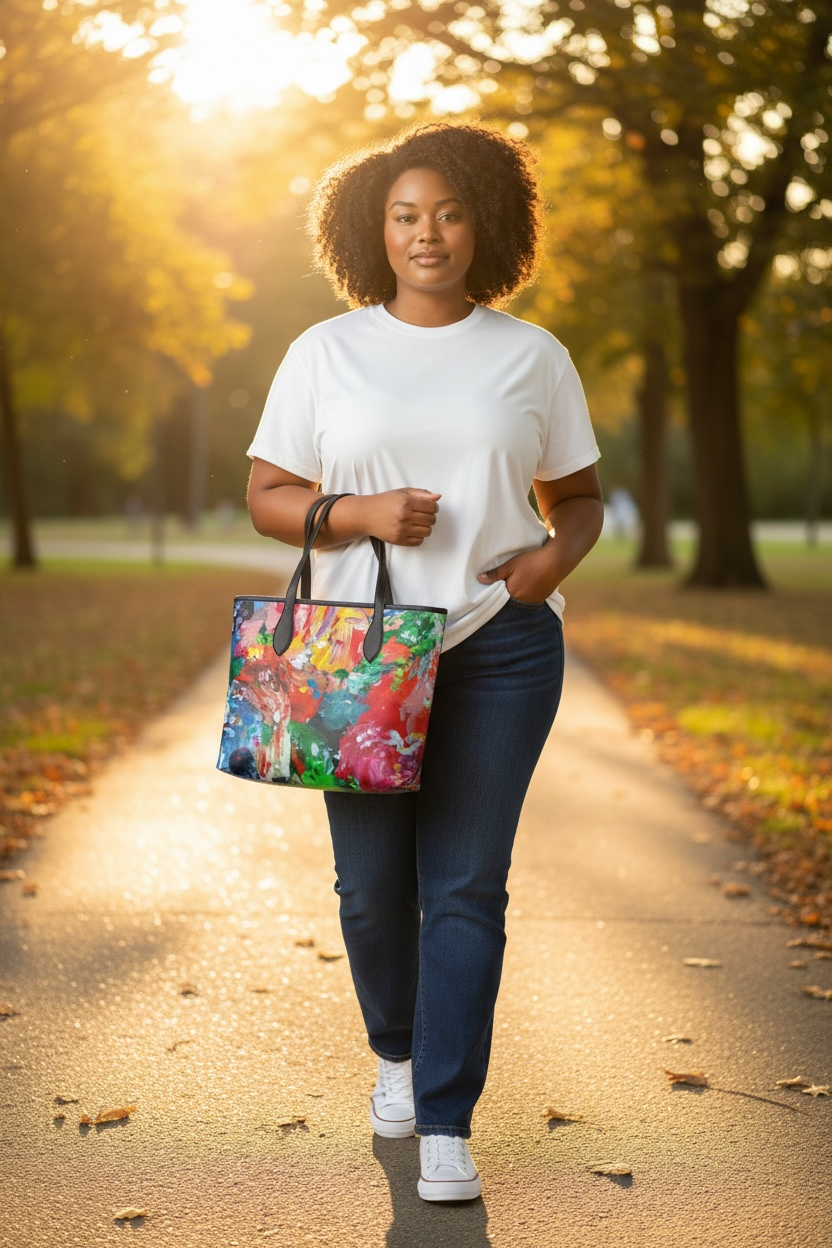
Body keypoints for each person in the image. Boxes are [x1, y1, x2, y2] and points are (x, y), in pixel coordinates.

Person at [246, 122, 603, 1203]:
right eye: (405, 215)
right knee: (369, 891)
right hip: (358, 658)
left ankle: (446, 1119)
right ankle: (396, 1059)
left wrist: (549, 563)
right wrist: (356, 512)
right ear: (375, 229)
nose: (427, 233)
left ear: (484, 223)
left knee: (465, 887)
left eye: (447, 213)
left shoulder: (533, 355)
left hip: (498, 647)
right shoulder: (324, 352)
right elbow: (266, 496)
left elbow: (578, 499)